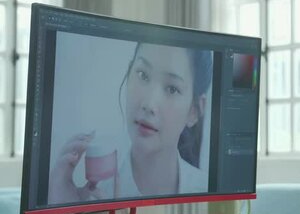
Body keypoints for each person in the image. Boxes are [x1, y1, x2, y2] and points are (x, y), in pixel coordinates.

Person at [48, 42, 213, 203]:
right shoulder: (93, 194)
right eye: (143, 75)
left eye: (172, 89)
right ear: (128, 74)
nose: (149, 104)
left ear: (194, 111)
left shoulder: (209, 194)